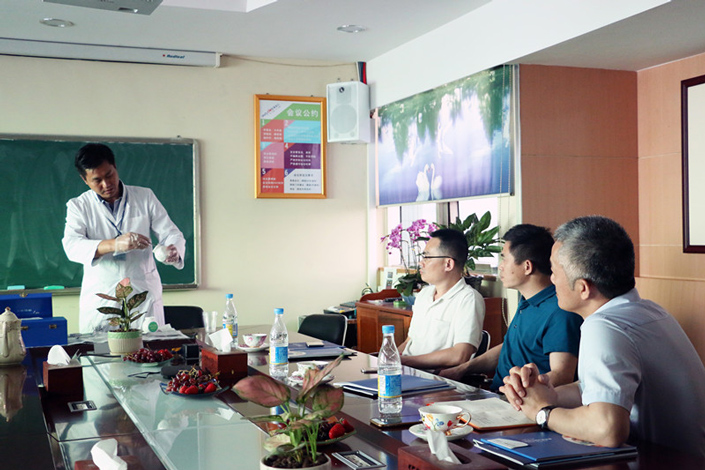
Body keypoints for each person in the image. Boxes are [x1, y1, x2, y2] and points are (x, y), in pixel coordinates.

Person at [500, 216, 705, 458]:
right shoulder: (649, 310)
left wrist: (543, 411)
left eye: (555, 271)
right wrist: (545, 393)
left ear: (583, 288)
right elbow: (600, 388)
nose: (551, 279)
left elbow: (607, 429)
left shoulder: (604, 327)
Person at [440, 224, 582, 391]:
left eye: (504, 258)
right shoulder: (527, 300)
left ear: (527, 266)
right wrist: (461, 370)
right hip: (496, 396)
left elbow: (562, 375)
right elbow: (510, 347)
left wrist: (516, 391)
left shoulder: (559, 311)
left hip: (520, 404)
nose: (501, 266)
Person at [62, 143, 186, 334]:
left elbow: (172, 233)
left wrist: (173, 249)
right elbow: (72, 246)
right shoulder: (79, 206)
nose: (106, 184)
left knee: (149, 356)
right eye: (97, 180)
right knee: (102, 360)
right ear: (85, 180)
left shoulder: (144, 197)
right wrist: (114, 244)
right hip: (102, 298)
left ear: (116, 167)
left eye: (109, 175)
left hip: (142, 295)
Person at [397, 228, 485, 370]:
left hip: (436, 381)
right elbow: (409, 341)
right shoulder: (424, 295)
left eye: (427, 257)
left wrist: (407, 361)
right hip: (408, 371)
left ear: (448, 264)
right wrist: (391, 358)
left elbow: (460, 354)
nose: (421, 263)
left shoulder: (468, 299)